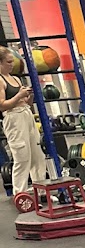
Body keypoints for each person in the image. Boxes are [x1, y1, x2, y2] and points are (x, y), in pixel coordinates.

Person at [0, 46, 46, 196]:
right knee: (22, 158)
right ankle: (20, 195)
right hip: (13, 118)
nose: (12, 65)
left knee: (37, 156)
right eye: (8, 62)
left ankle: (41, 192)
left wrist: (29, 96)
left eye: (12, 61)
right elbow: (2, 105)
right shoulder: (0, 80)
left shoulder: (16, 79)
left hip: (26, 114)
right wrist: (19, 96)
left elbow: (26, 103)